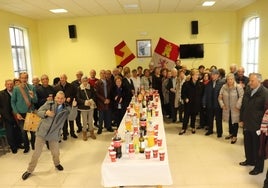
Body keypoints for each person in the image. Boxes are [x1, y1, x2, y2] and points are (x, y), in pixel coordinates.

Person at [21, 91, 78, 180]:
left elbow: (72, 117)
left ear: (64, 99)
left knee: (55, 152)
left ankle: (57, 164)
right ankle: (29, 170)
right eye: (58, 98)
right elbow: (38, 112)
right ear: (55, 98)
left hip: (54, 134)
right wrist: (46, 113)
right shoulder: (49, 104)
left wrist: (74, 107)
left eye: (62, 98)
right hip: (42, 132)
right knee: (36, 153)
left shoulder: (66, 109)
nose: (60, 100)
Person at [239, 73, 268, 175]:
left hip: (258, 125)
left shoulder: (265, 93)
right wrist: (241, 119)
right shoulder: (248, 90)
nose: (249, 83)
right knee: (248, 144)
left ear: (259, 81)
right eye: (249, 80)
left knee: (258, 147)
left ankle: (258, 167)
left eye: (252, 81)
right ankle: (249, 160)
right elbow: (243, 106)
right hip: (247, 123)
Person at [11, 72, 38, 153]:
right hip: (20, 113)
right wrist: (16, 113)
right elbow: (13, 102)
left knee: (33, 131)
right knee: (23, 132)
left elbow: (35, 101)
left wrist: (32, 96)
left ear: (27, 78)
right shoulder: (16, 89)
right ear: (20, 78)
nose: (24, 79)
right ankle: (26, 147)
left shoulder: (32, 87)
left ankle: (33, 145)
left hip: (30, 112)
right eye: (22, 78)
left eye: (25, 78)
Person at [218, 73, 244, 144]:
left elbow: (242, 97)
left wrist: (238, 105)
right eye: (228, 79)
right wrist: (222, 105)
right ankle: (231, 133)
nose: (230, 81)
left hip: (235, 108)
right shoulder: (224, 86)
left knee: (235, 122)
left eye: (231, 79)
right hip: (227, 108)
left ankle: (235, 136)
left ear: (234, 79)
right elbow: (220, 97)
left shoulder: (238, 87)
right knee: (229, 120)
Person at [0, 79, 23, 154]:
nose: (9, 85)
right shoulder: (1, 94)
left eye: (11, 84)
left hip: (16, 114)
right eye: (8, 84)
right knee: (10, 132)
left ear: (13, 85)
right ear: (5, 85)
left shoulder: (16, 92)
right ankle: (13, 147)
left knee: (17, 130)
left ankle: (19, 144)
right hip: (7, 115)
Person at [179, 69, 203, 135]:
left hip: (196, 103)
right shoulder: (186, 84)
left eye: (198, 75)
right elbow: (182, 93)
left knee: (193, 116)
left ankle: (193, 127)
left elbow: (201, 94)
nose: (197, 76)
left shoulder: (200, 84)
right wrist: (185, 98)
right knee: (186, 116)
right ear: (192, 76)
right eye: (196, 75)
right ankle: (184, 128)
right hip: (188, 103)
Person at [54, 74, 77, 140]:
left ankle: (72, 132)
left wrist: (70, 97)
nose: (62, 79)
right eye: (61, 78)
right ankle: (65, 133)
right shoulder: (56, 87)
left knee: (71, 119)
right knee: (63, 120)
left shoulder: (71, 86)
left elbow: (74, 95)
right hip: (61, 106)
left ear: (66, 78)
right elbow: (55, 97)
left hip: (69, 105)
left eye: (63, 78)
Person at [202, 69, 225, 137]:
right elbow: (205, 93)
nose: (213, 76)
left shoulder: (222, 83)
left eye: (214, 74)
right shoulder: (208, 83)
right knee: (210, 118)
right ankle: (210, 130)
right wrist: (204, 102)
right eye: (212, 74)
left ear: (218, 75)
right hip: (210, 104)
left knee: (218, 119)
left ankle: (219, 132)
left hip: (217, 104)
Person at [76, 76, 96, 141]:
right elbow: (78, 98)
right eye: (83, 81)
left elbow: (94, 95)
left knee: (90, 120)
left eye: (86, 81)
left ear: (88, 81)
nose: (85, 82)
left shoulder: (91, 87)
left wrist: (91, 100)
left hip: (91, 106)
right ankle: (84, 133)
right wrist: (85, 102)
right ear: (81, 81)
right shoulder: (79, 88)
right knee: (84, 121)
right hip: (83, 107)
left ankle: (91, 132)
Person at [95, 70, 113, 134]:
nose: (103, 74)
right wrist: (104, 100)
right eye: (101, 73)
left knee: (108, 115)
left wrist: (108, 99)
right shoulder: (97, 83)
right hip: (101, 102)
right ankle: (100, 128)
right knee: (101, 116)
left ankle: (109, 127)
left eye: (104, 73)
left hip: (108, 101)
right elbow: (97, 93)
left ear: (105, 74)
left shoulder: (109, 82)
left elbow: (111, 92)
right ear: (99, 74)